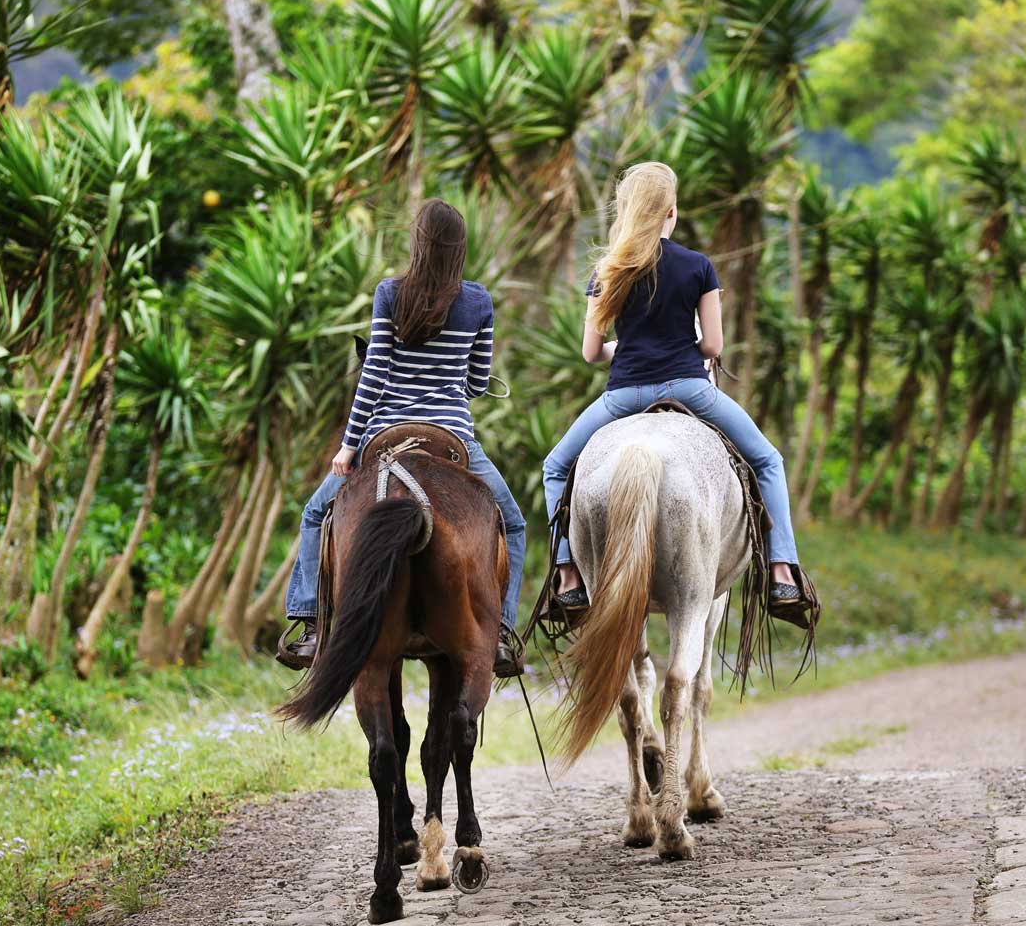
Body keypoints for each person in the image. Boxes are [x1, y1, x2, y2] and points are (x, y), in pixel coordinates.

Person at [541, 161, 811, 625]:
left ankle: (567, 575)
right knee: (767, 460)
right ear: (670, 211)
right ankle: (783, 569)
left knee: (555, 467)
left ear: (626, 211)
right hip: (689, 389)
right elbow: (713, 345)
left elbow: (590, 353)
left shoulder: (609, 271)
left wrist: (625, 345)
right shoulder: (698, 267)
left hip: (622, 396)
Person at [279, 199, 526, 673]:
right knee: (512, 523)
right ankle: (501, 633)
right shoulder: (478, 301)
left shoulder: (389, 294)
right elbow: (476, 382)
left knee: (315, 513)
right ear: (459, 248)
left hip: (384, 434)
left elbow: (373, 374)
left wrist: (350, 445)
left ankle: (309, 622)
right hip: (452, 435)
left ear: (419, 242)